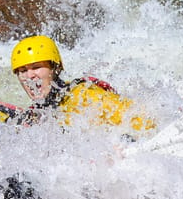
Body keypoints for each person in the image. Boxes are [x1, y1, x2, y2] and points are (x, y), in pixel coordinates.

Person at [9, 35, 154, 134]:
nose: (29, 76)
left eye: (36, 67)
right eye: (22, 71)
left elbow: (144, 122)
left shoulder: (84, 95)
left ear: (55, 68)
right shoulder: (37, 114)